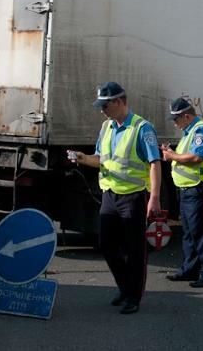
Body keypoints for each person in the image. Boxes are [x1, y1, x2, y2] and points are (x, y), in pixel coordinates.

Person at [67, 82, 161, 314]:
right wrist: (82, 158)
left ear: (119, 102)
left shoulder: (142, 128)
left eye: (105, 105)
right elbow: (100, 158)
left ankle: (133, 297)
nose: (102, 110)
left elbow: (154, 163)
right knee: (107, 245)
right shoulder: (107, 126)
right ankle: (124, 286)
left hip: (134, 197)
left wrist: (155, 197)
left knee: (135, 249)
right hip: (110, 195)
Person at [160, 97, 203, 288]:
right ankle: (189, 269)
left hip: (199, 188)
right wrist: (173, 153)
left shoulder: (201, 130)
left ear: (186, 116)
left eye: (176, 119)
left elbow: (197, 156)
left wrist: (172, 156)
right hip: (188, 189)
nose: (175, 124)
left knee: (202, 233)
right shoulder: (189, 131)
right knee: (189, 232)